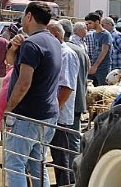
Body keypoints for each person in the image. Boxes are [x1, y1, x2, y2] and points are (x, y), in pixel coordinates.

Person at [4, 1, 61, 187]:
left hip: (27, 115)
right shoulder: (53, 41)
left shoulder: (31, 44)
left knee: (14, 164)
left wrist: (9, 109)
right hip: (48, 114)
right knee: (38, 165)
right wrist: (13, 48)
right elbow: (12, 63)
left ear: (29, 16)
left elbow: (24, 82)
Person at [47, 20, 79, 187]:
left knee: (60, 155)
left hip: (59, 114)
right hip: (52, 112)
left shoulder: (66, 54)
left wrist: (55, 109)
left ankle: (64, 184)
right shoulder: (55, 52)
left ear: (56, 35)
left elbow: (66, 87)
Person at [59, 19, 89, 184]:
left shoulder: (64, 50)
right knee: (74, 141)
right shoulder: (80, 50)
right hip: (78, 101)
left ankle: (70, 178)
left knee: (65, 143)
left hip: (65, 102)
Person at [85, 12, 112, 86]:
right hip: (93, 66)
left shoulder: (105, 35)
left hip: (103, 68)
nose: (89, 25)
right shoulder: (93, 34)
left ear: (97, 22)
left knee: (102, 88)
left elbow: (104, 52)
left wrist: (95, 66)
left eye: (90, 23)